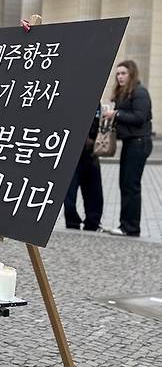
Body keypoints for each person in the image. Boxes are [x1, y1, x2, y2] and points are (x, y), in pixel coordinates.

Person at [103, 60, 153, 237]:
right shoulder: (127, 93)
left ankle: (130, 228)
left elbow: (140, 117)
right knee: (125, 184)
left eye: (123, 73)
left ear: (132, 74)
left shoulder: (139, 92)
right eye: (118, 74)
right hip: (131, 143)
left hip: (138, 143)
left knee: (130, 185)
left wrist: (116, 113)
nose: (120, 76)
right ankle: (126, 225)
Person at [63, 105, 103, 231]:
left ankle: (92, 223)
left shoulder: (96, 102)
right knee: (69, 195)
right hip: (71, 153)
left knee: (94, 192)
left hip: (90, 153)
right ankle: (72, 222)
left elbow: (97, 123)